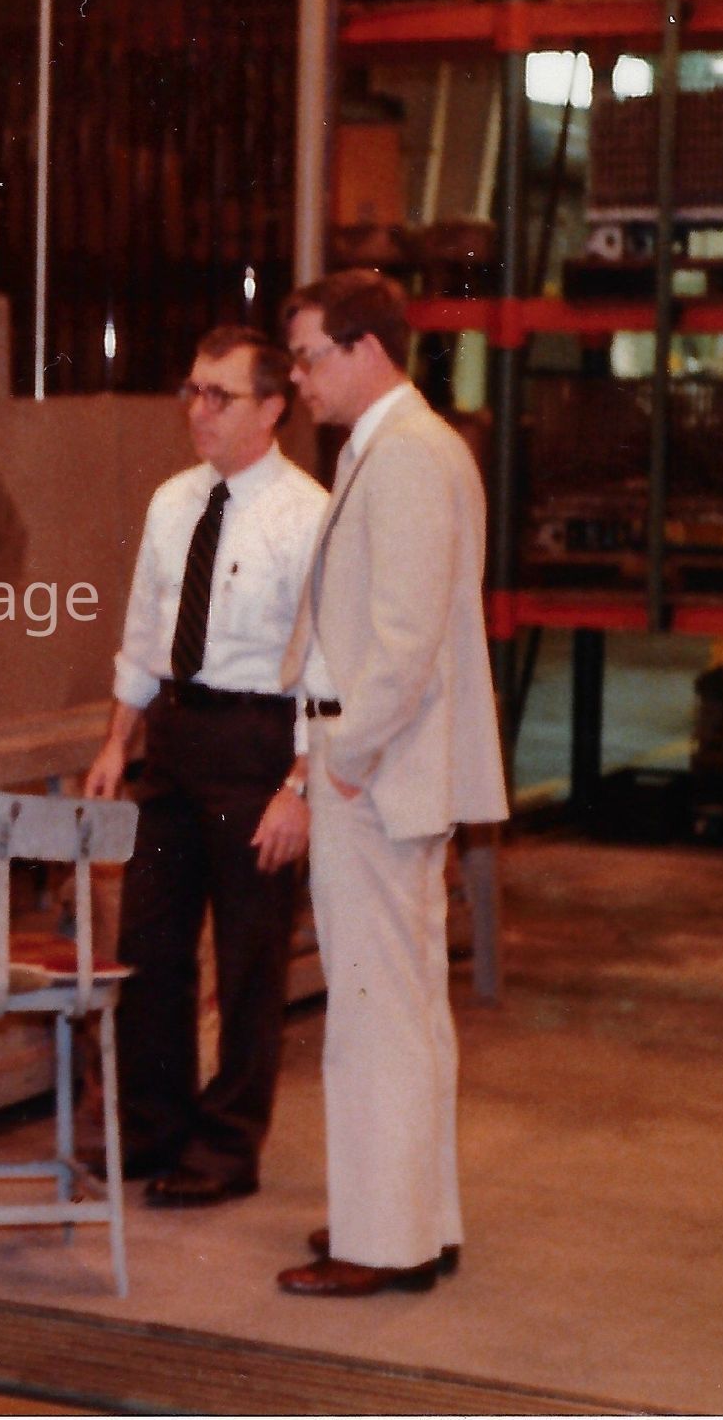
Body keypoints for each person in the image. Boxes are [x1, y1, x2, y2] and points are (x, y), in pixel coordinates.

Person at [273, 269, 508, 1298]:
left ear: (364, 348)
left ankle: (381, 1243)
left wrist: (346, 758)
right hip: (386, 773)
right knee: (403, 1011)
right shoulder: (400, 446)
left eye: (308, 358)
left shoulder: (406, 454)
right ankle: (411, 1220)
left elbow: (402, 641)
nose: (298, 379)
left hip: (374, 775)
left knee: (375, 1015)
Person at [83, 324, 328, 1208]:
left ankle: (226, 1148)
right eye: (192, 390)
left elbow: (324, 661)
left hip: (256, 746)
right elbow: (144, 631)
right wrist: (117, 740)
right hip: (175, 737)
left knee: (248, 958)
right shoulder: (172, 502)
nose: (198, 409)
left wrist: (296, 787)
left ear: (271, 409)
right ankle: (152, 1128)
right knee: (148, 946)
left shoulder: (307, 516)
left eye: (219, 396)